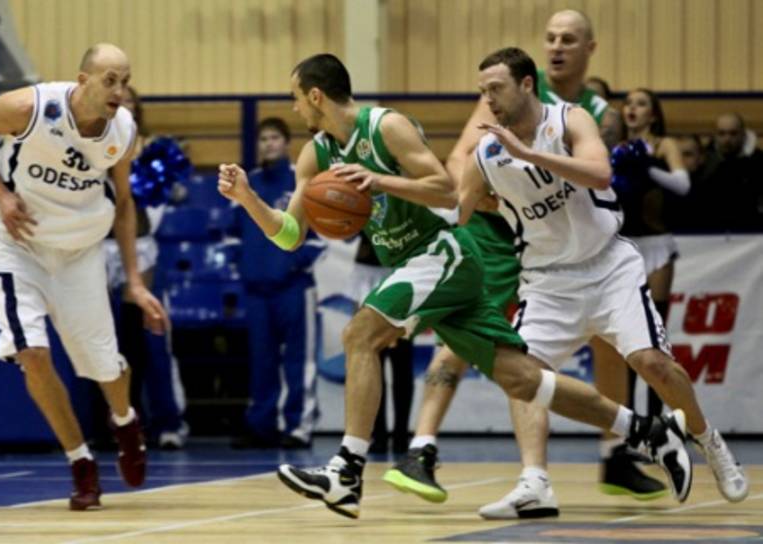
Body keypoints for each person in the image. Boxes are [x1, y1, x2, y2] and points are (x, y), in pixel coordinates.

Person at [218, 52, 693, 520]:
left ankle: (346, 471)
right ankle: (646, 431)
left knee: (358, 334)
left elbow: (445, 189)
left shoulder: (386, 126)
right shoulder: (315, 154)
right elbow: (290, 235)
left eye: (296, 97)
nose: (295, 107)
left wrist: (378, 180)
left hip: (441, 251)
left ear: (316, 95)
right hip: (412, 266)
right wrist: (248, 198)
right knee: (522, 378)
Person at [385, 10, 660, 517]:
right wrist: (485, 200)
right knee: (470, 336)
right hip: (494, 234)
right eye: (550, 38)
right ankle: (421, 449)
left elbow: (596, 176)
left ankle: (615, 454)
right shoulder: (505, 93)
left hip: (558, 241)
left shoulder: (596, 111)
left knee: (608, 339)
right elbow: (461, 159)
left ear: (590, 49)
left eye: (568, 39)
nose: (556, 46)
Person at [456, 47, 747, 519]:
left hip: (608, 266)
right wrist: (392, 192)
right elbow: (458, 211)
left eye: (496, 88)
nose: (488, 99)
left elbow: (599, 173)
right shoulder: (486, 155)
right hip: (547, 281)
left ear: (527, 84)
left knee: (652, 363)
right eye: (482, 91)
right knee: (522, 376)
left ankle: (707, 440)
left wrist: (529, 155)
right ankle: (535, 483)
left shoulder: (569, 120)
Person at [0, 43, 168, 511]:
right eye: (109, 80)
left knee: (106, 366)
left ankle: (125, 421)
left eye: (125, 81)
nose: (119, 90)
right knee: (31, 352)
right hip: (17, 243)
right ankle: (80, 462)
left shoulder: (123, 129)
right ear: (83, 80)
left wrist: (135, 282)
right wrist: (0, 193)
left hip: (80, 250)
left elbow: (125, 203)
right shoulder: (31, 108)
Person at [229, 117, 325, 450]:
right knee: (262, 361)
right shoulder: (247, 184)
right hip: (257, 290)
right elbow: (232, 235)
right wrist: (244, 264)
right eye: (263, 138)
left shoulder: (301, 179)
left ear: (286, 143)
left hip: (294, 288)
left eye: (274, 138)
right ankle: (261, 425)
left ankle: (299, 426)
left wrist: (293, 264)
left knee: (299, 360)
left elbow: (319, 237)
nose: (268, 143)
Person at [103, 85, 188, 449]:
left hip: (142, 249)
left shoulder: (154, 149)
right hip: (100, 249)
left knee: (153, 340)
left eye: (130, 101)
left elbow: (172, 196)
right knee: (109, 345)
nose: (124, 105)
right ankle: (117, 424)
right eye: (118, 100)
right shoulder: (92, 143)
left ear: (138, 108)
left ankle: (169, 422)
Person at [616, 88, 690, 419]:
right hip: (624, 246)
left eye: (641, 104)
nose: (632, 109)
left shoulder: (664, 145)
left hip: (657, 244)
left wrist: (646, 169)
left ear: (653, 113)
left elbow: (683, 185)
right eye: (628, 103)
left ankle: (660, 418)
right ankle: (631, 418)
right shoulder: (615, 148)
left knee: (656, 334)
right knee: (627, 337)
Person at [349, 232, 414, 455]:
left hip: (402, 271)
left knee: (402, 360)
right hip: (366, 271)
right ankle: (377, 434)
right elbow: (347, 233)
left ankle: (401, 433)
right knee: (371, 357)